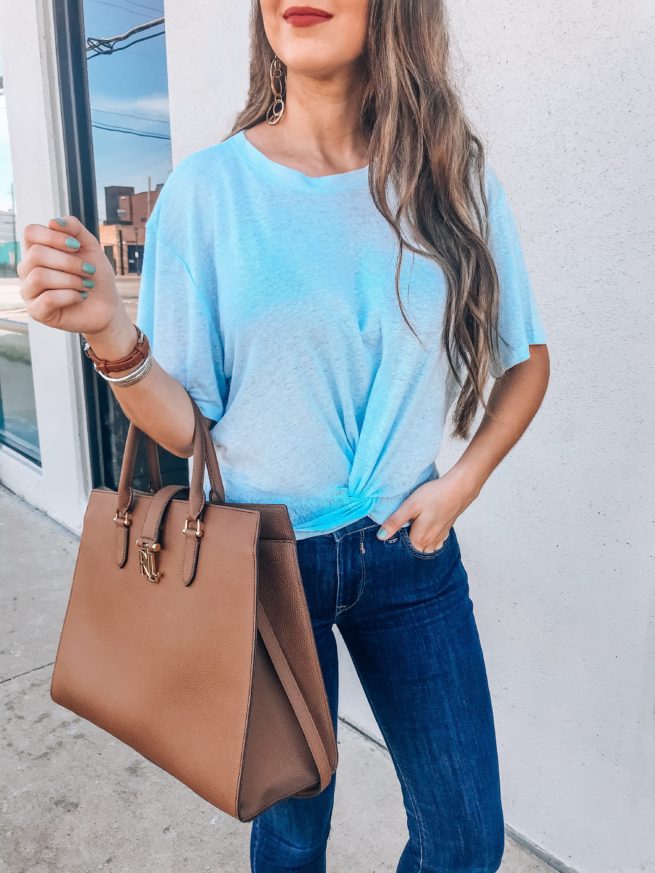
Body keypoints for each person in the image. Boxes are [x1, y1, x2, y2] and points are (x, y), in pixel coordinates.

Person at [18, 1, 550, 870]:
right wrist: (112, 336)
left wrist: (460, 483)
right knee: (293, 837)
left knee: (464, 838)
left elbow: (524, 363)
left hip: (407, 554)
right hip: (262, 565)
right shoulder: (209, 189)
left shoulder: (452, 177)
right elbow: (192, 428)